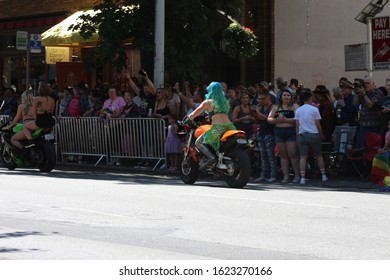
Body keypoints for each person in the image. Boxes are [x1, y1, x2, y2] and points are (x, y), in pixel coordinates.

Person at [186, 81, 236, 169]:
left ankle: (211, 158)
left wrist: (186, 119)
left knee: (198, 142)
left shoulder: (208, 102)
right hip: (230, 127)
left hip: (218, 128)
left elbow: (195, 113)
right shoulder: (226, 102)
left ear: (211, 91)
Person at [294, 88, 328, 185]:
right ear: (310, 98)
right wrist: (321, 135)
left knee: (303, 157)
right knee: (319, 155)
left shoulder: (298, 110)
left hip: (302, 134)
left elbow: (297, 125)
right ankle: (323, 175)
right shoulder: (315, 109)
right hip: (313, 133)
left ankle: (303, 178)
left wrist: (297, 137)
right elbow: (318, 124)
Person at [267, 89, 300, 183]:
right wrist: (276, 120)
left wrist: (287, 120)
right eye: (284, 95)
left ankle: (297, 175)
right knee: (283, 155)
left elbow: (297, 119)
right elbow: (269, 119)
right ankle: (285, 176)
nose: (286, 97)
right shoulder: (275, 107)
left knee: (293, 154)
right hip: (279, 132)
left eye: (288, 95)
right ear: (280, 97)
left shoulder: (295, 106)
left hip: (290, 131)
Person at [253, 89, 277, 183]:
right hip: (261, 133)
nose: (261, 100)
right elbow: (257, 121)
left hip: (269, 134)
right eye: (259, 99)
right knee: (263, 156)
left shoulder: (273, 107)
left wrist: (260, 115)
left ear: (268, 97)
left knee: (271, 156)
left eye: (263, 98)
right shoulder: (260, 107)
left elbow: (270, 120)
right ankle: (263, 175)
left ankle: (273, 175)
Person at [22, 82, 56, 148]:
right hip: (50, 120)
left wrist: (35, 119)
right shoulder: (52, 100)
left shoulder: (36, 99)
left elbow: (34, 113)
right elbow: (52, 112)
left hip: (41, 120)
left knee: (25, 126)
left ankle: (30, 141)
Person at [354, 75, 383, 147]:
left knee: (371, 148)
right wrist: (357, 92)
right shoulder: (364, 93)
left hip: (373, 126)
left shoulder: (378, 93)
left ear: (373, 83)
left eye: (367, 83)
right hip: (363, 125)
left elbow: (370, 105)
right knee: (361, 148)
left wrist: (364, 94)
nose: (365, 85)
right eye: (364, 83)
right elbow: (355, 103)